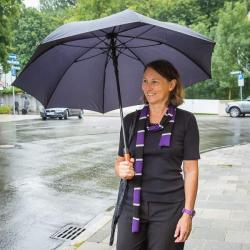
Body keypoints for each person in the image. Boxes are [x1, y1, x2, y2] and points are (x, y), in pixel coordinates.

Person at [114, 60, 200, 250]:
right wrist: (122, 170)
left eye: (155, 81)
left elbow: (191, 171)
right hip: (132, 206)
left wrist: (187, 214)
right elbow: (119, 162)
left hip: (169, 209)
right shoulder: (130, 121)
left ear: (171, 84)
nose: (148, 87)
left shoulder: (186, 121)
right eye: (145, 81)